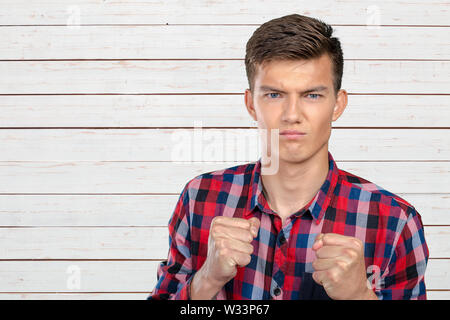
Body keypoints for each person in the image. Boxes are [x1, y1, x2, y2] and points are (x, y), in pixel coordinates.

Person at [148, 14, 429, 300]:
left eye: (312, 96)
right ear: (251, 104)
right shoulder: (200, 198)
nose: (292, 115)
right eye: (274, 95)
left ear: (338, 104)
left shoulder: (394, 221)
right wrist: (208, 279)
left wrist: (359, 295)